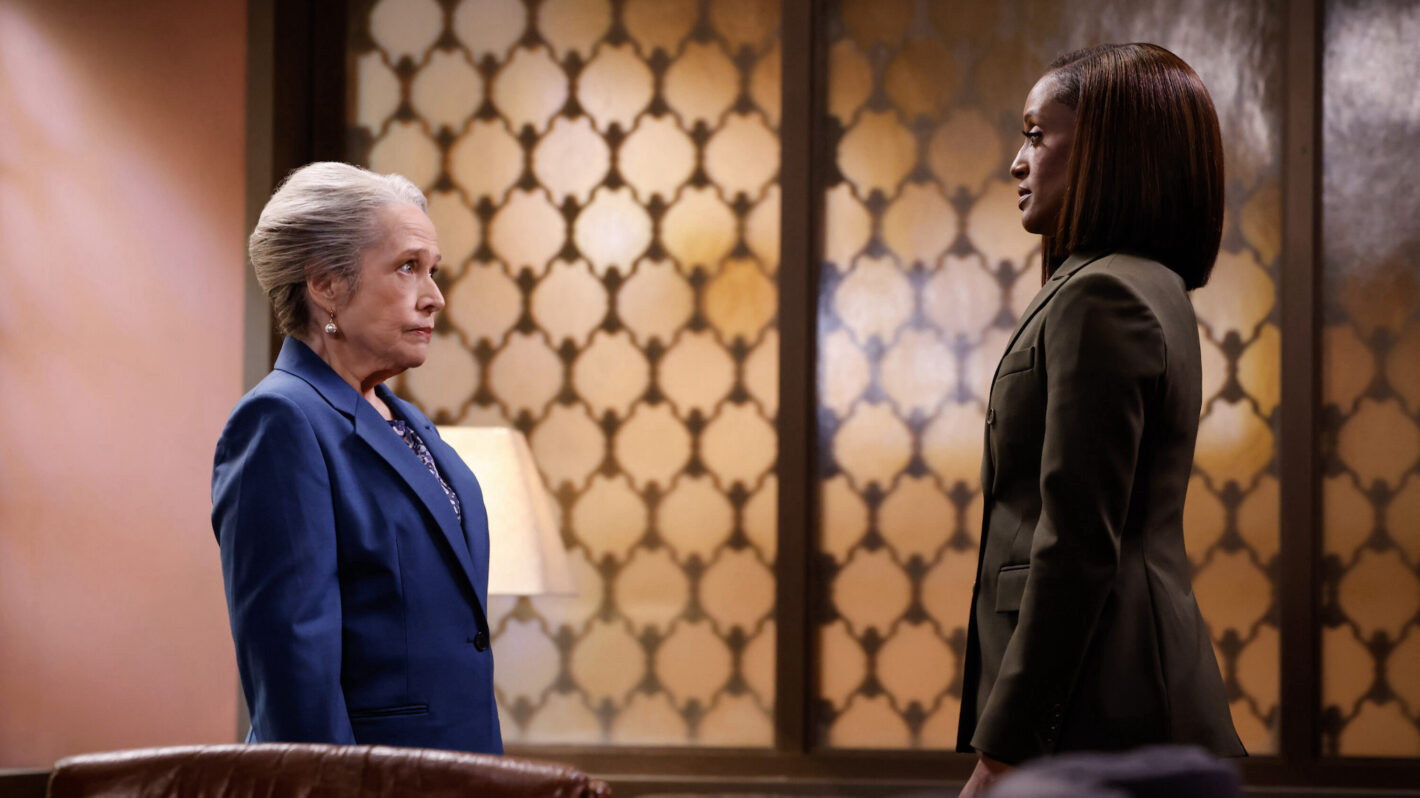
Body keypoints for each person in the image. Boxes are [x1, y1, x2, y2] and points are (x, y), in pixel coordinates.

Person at [956, 43, 1245, 796]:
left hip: (1101, 704)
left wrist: (1004, 753)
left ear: (1105, 153)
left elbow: (1077, 541)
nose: (1017, 163)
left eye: (1036, 135)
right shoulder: (1150, 285)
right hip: (1117, 693)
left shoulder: (1102, 294)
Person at [212, 162, 502, 754]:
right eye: (408, 267)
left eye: (433, 270)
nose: (435, 298)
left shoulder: (407, 421)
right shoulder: (281, 421)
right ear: (326, 285)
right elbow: (294, 678)